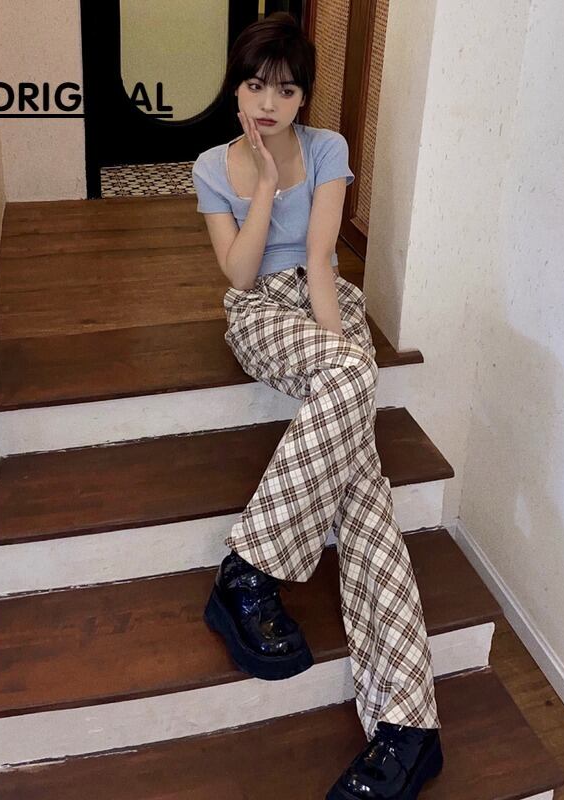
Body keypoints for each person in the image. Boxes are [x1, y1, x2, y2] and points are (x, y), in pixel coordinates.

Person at [191, 12, 444, 800]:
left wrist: (344, 363)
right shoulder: (210, 166)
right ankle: (408, 730)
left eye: (287, 89)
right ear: (237, 89)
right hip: (260, 313)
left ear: (304, 97)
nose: (269, 102)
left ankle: (252, 575)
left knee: (363, 491)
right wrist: (266, 186)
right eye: (256, 85)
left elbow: (322, 257)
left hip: (324, 304)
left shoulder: (329, 149)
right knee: (355, 423)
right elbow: (238, 274)